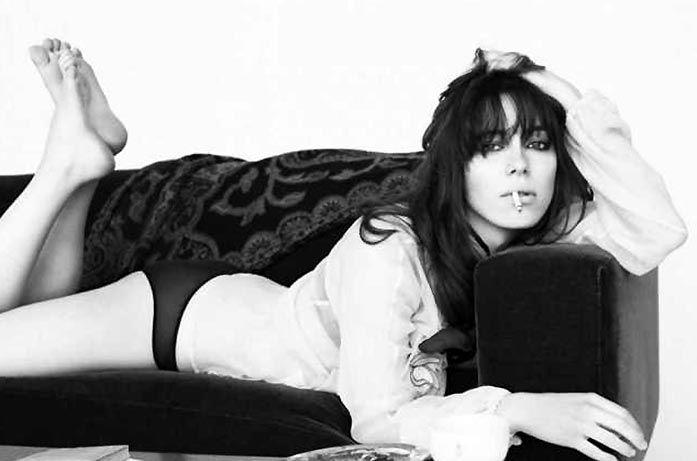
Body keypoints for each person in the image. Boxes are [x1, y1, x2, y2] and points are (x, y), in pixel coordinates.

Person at [0, 39, 687, 461]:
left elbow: (656, 229)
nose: (518, 166)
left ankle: (80, 165)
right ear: (456, 164)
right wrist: (520, 407)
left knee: (29, 314)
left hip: (230, 303)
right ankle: (66, 168)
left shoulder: (542, 236)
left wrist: (556, 93)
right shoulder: (386, 246)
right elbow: (378, 419)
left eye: (537, 144)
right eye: (490, 145)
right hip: (179, 316)